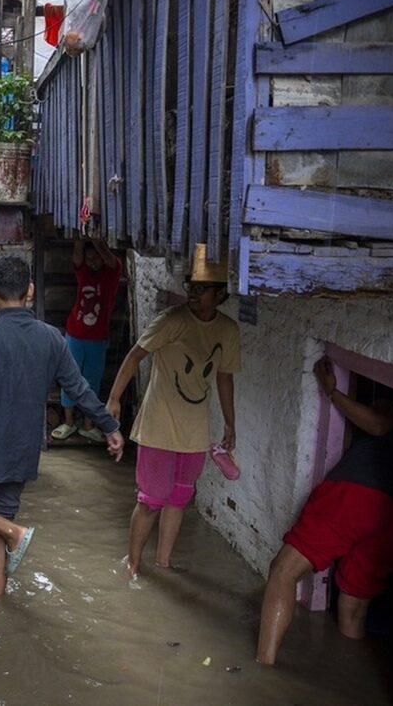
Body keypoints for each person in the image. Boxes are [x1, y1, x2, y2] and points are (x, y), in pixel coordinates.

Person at [0, 255, 126, 596]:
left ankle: (15, 532)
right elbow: (78, 388)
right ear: (30, 290)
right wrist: (110, 426)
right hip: (23, 449)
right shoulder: (51, 337)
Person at [255, 357, 393, 666]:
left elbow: (378, 424)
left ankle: (263, 666)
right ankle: (341, 683)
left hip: (352, 495)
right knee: (353, 612)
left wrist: (332, 392)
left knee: (283, 571)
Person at [106, 243, 241, 576]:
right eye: (190, 286)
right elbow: (135, 355)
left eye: (202, 288)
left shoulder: (228, 330)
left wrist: (230, 423)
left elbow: (224, 377)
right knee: (151, 500)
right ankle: (134, 563)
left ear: (222, 295)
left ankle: (164, 563)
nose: (193, 293)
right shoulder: (171, 321)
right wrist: (114, 399)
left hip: (194, 433)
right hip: (158, 427)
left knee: (179, 499)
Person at [51, 237, 122, 443]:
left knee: (92, 381)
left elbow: (109, 258)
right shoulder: (83, 272)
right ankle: (69, 422)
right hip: (74, 334)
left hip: (98, 339)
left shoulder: (112, 273)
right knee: (69, 379)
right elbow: (78, 255)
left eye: (95, 258)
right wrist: (82, 237)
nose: (91, 262)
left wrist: (96, 239)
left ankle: (88, 425)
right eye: (89, 258)